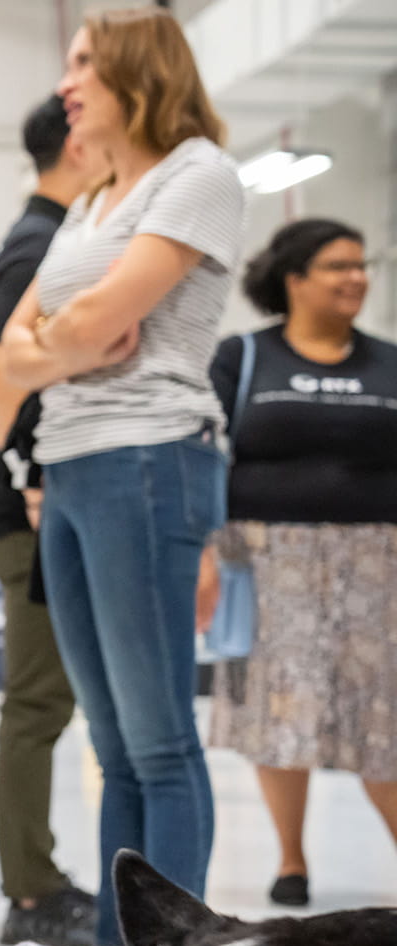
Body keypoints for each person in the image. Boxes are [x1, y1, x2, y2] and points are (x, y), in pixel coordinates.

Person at [0, 8, 244, 946]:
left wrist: (60, 341)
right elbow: (14, 348)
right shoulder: (97, 196)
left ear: (138, 70)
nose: (67, 83)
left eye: (84, 64)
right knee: (114, 744)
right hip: (70, 466)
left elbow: (97, 319)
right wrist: (67, 343)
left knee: (160, 740)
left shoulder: (198, 175)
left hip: (149, 458)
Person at [201, 219, 397, 908]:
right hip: (267, 563)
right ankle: (291, 859)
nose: (356, 278)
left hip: (379, 565)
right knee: (282, 709)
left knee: (383, 717)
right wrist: (203, 549)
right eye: (338, 266)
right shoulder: (244, 357)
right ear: (294, 279)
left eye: (361, 265)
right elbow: (206, 452)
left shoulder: (388, 362)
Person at [0, 94, 102, 946]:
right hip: (29, 505)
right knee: (38, 700)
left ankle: (36, 876)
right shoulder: (41, 243)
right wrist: (27, 475)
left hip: (27, 497)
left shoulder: (46, 236)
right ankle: (30, 888)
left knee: (44, 698)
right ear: (79, 147)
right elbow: (2, 372)